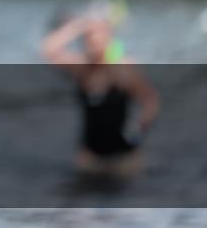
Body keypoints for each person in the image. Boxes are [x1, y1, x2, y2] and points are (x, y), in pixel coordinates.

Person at [40, 11, 159, 178]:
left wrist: (140, 128)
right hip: (91, 159)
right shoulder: (81, 68)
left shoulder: (123, 69)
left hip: (123, 160)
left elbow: (150, 100)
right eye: (88, 36)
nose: (93, 40)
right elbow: (49, 49)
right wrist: (78, 25)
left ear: (109, 37)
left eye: (98, 33)